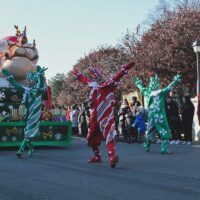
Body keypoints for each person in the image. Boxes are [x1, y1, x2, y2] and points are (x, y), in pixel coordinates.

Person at [73, 62, 135, 168]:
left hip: (106, 115)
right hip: (95, 115)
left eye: (98, 75)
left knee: (109, 135)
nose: (97, 77)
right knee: (91, 137)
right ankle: (97, 156)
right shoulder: (94, 86)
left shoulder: (108, 85)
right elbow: (85, 81)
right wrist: (78, 75)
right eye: (95, 76)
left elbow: (116, 78)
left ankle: (112, 157)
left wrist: (124, 69)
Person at [2, 66, 47, 158]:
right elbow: (17, 86)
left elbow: (41, 85)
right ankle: (31, 148)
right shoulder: (27, 91)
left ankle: (20, 150)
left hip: (35, 116)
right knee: (27, 132)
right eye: (29, 80)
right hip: (27, 114)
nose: (29, 82)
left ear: (35, 80)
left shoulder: (39, 90)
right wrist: (9, 77)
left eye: (31, 80)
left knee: (28, 133)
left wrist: (40, 75)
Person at [133, 74, 181, 154]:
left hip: (152, 116)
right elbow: (169, 87)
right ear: (157, 84)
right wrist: (175, 80)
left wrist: (138, 82)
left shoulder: (148, 92)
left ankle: (147, 145)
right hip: (160, 116)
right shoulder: (160, 92)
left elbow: (141, 88)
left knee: (150, 130)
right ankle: (164, 148)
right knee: (164, 130)